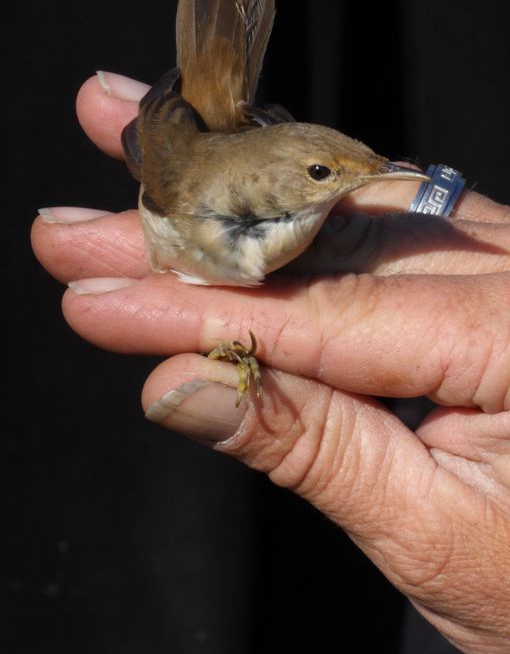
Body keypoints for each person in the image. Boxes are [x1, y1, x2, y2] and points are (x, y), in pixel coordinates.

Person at [31, 71, 510, 654]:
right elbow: (153, 143)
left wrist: (426, 200)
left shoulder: (296, 207)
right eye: (321, 174)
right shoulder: (193, 193)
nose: (342, 183)